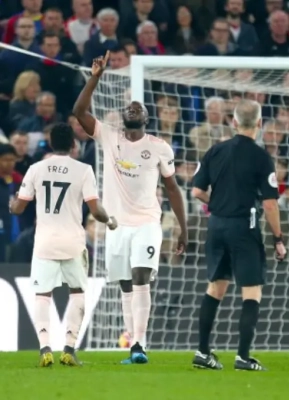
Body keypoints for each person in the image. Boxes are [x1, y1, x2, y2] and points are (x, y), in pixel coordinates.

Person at [71, 51, 188, 365]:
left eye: (138, 108)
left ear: (146, 119)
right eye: (128, 108)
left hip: (147, 223)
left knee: (140, 276)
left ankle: (140, 345)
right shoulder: (109, 136)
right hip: (116, 225)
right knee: (125, 284)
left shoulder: (159, 147)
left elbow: (173, 189)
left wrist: (183, 228)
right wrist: (95, 77)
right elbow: (79, 111)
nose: (132, 108)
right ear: (123, 117)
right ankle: (133, 344)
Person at [9, 123, 117, 367]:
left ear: (50, 143)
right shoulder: (84, 170)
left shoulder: (36, 169)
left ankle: (45, 348)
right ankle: (69, 348)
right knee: (77, 292)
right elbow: (95, 210)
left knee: (42, 295)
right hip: (73, 242)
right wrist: (110, 220)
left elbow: (19, 207)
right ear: (73, 144)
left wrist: (11, 205)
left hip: (45, 241)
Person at [191, 99, 286, 372]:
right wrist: (278, 238)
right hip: (244, 226)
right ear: (259, 123)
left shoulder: (215, 150)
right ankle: (243, 357)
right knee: (251, 291)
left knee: (215, 288)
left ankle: (202, 352)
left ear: (233, 122)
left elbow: (197, 191)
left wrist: (219, 203)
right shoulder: (261, 157)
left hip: (216, 225)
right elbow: (270, 204)